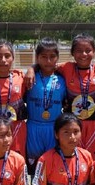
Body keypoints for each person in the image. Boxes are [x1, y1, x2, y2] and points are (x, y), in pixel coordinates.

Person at [25, 38, 67, 174]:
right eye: (43, 57)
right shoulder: (29, 78)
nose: (48, 61)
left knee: (53, 168)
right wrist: (31, 68)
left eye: (52, 57)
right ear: (37, 58)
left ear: (57, 58)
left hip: (54, 128)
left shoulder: (63, 78)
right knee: (34, 168)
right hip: (33, 127)